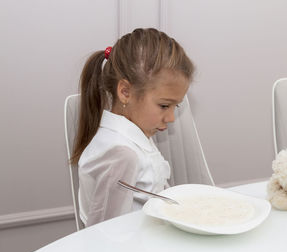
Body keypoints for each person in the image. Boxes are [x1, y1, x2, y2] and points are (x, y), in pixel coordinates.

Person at [70, 28, 194, 226]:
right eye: (164, 106)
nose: (171, 117)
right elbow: (104, 233)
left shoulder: (136, 132)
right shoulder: (121, 155)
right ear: (125, 92)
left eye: (175, 106)